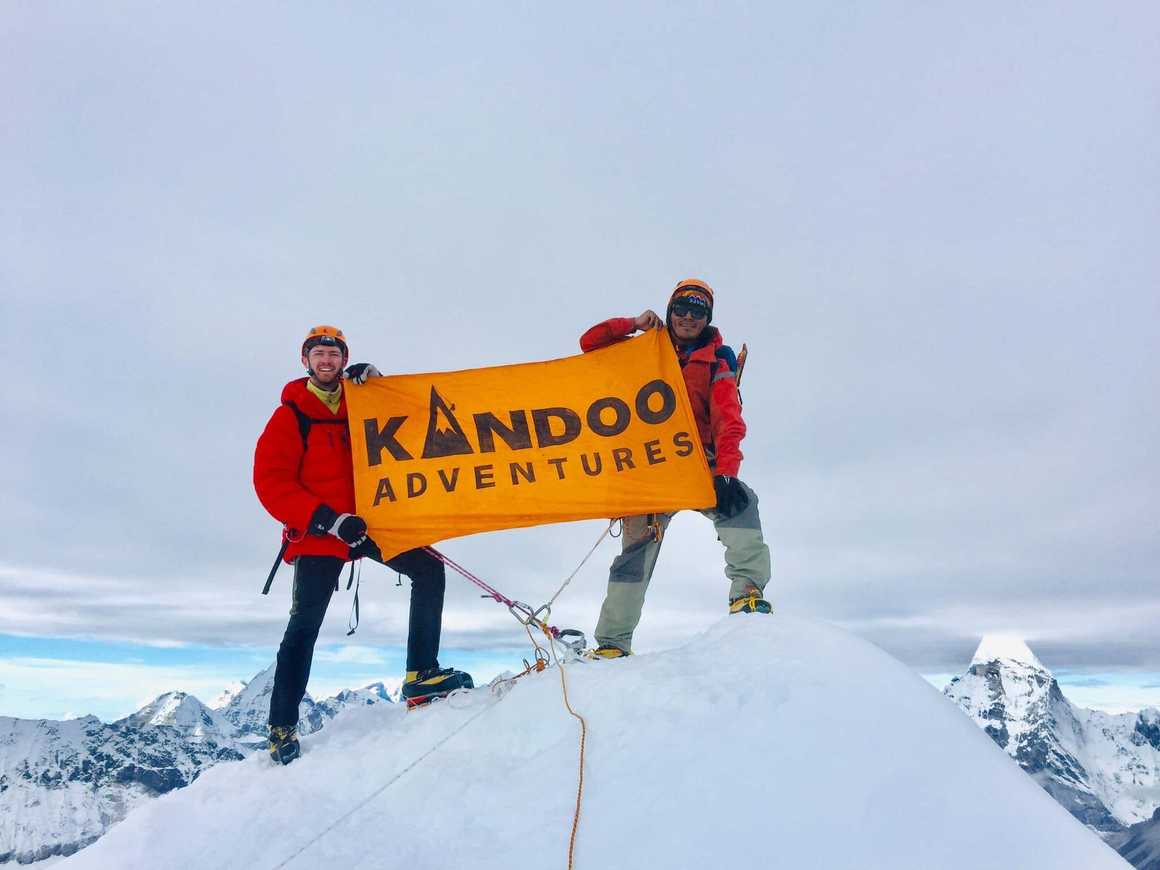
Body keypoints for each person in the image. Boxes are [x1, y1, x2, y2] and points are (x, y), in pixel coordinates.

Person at [253, 325, 472, 764]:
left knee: (428, 569)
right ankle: (281, 725)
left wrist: (380, 385)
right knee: (304, 627)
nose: (327, 360)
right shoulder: (291, 415)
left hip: (369, 522)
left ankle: (421, 675)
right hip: (320, 531)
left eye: (334, 353)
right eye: (318, 353)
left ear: (342, 359)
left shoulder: (359, 401)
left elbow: (401, 427)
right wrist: (328, 521)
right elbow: (270, 482)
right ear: (306, 362)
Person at [579, 279, 772, 659]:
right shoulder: (644, 347)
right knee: (635, 553)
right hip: (651, 467)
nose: (687, 317)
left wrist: (726, 472)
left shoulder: (719, 358)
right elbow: (590, 343)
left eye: (697, 311)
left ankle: (747, 595)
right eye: (681, 309)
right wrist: (631, 323)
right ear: (670, 311)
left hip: (700, 463)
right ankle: (613, 644)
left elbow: (727, 417)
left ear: (707, 317)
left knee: (740, 504)